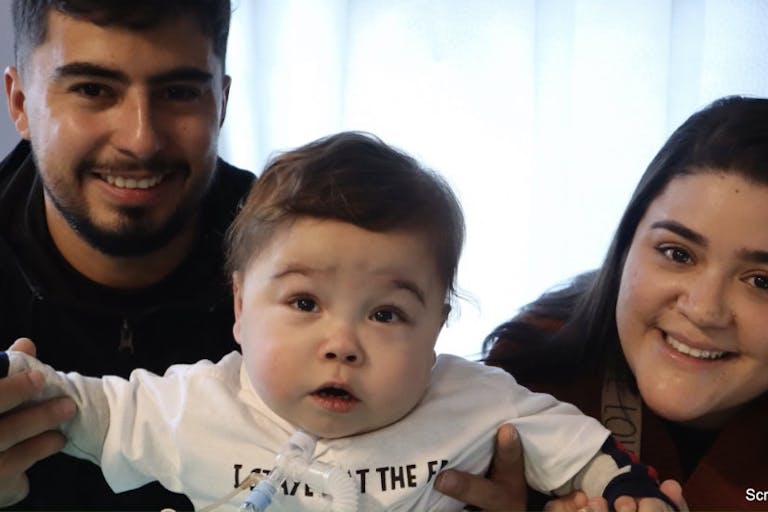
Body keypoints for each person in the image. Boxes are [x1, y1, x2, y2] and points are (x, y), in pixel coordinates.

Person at [2, 132, 677, 512]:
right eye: (304, 303)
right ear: (239, 307)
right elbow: (89, 407)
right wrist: (18, 376)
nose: (342, 345)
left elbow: (573, 442)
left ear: (436, 327)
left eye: (386, 313)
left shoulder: (471, 400)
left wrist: (625, 493)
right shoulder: (194, 404)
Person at [0, 0, 255, 509]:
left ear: (221, 103)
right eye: (93, 90)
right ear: (21, 102)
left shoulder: (319, 265)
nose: (141, 140)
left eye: (179, 92)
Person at [475, 95, 768, 511]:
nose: (704, 310)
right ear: (626, 244)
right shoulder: (521, 380)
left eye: (761, 281)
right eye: (677, 253)